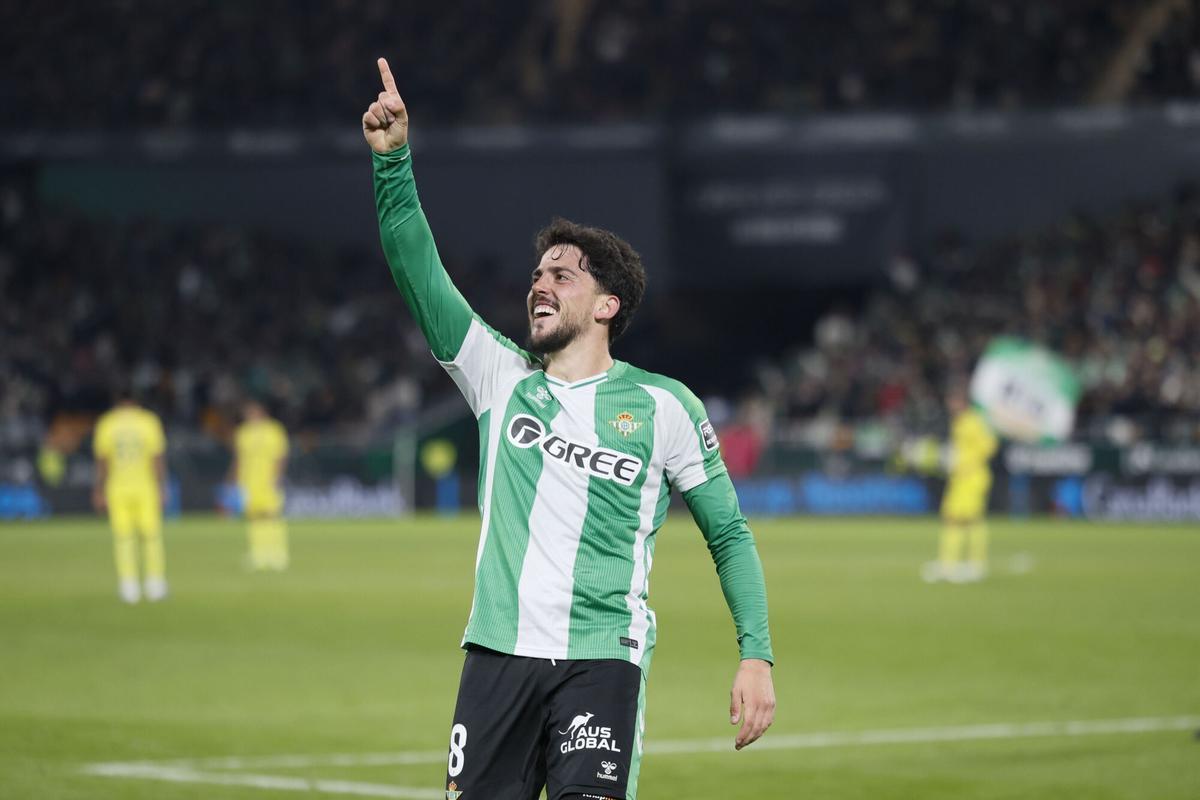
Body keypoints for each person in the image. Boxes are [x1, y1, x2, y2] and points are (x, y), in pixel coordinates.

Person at [363, 57, 775, 800]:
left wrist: (757, 654)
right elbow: (415, 265)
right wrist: (393, 161)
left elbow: (729, 535)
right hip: (496, 655)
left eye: (562, 275)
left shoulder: (665, 407)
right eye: (537, 274)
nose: (539, 284)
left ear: (608, 304)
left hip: (602, 660)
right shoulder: (499, 377)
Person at [92, 387, 169, 603]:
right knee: (151, 536)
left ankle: (129, 586)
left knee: (124, 537)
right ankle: (155, 584)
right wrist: (162, 486)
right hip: (145, 486)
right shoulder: (148, 422)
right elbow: (157, 458)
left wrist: (99, 489)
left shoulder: (107, 423)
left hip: (117, 487)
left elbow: (102, 461)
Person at [923, 387, 998, 583]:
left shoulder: (973, 421)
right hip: (960, 478)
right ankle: (952, 564)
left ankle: (972, 565)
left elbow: (989, 445)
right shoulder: (961, 421)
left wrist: (965, 462)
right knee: (956, 519)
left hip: (971, 477)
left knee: (966, 520)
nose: (950, 405)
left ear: (961, 401)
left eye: (953, 401)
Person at [231, 399, 290, 570]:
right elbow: (239, 459)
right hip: (249, 482)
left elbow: (281, 455)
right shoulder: (243, 433)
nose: (249, 416)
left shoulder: (274, 430)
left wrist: (278, 476)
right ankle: (258, 554)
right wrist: (236, 480)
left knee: (272, 516)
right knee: (254, 517)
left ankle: (277, 553)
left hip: (268, 480)